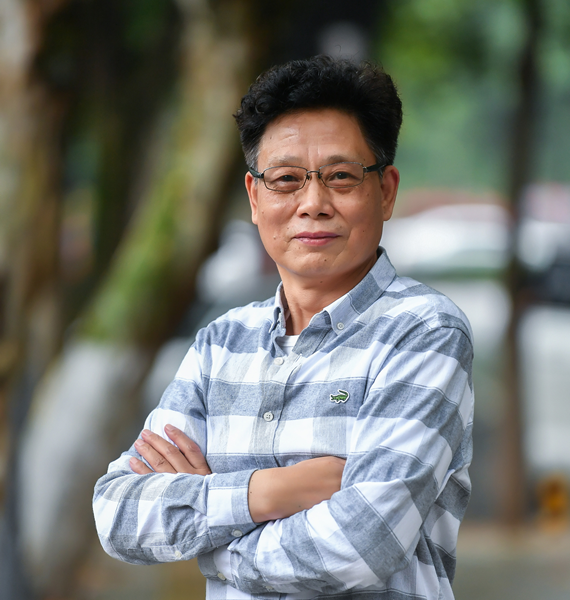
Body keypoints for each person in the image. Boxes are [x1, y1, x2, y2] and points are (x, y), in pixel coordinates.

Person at [93, 55, 474, 600]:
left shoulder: (423, 332)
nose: (313, 204)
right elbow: (118, 513)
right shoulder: (222, 343)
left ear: (386, 191)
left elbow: (362, 543)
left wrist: (210, 539)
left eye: (341, 177)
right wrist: (274, 491)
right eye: (287, 180)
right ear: (255, 197)